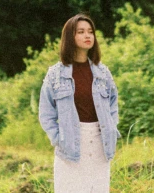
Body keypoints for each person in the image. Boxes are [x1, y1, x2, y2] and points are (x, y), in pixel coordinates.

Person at [38, 13, 121, 193]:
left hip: (100, 143)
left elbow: (113, 105)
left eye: (90, 32)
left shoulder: (103, 72)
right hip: (70, 144)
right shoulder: (55, 74)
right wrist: (57, 138)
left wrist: (112, 128)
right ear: (70, 37)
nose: (87, 36)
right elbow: (46, 113)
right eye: (81, 32)